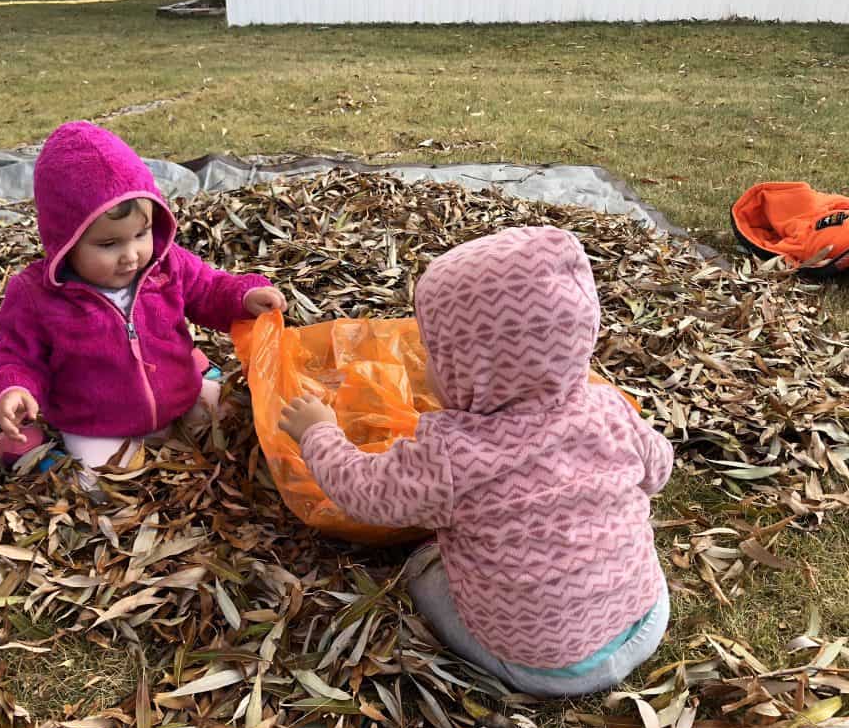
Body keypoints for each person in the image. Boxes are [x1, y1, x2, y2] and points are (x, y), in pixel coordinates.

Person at [278, 226, 672, 697]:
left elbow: (365, 493)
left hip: (539, 667)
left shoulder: (450, 456)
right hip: (645, 622)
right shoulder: (610, 411)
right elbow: (658, 470)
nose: (424, 365)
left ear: (475, 367)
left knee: (424, 569)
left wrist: (318, 431)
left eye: (433, 352)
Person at [0, 121, 286, 486]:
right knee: (98, 486)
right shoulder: (36, 296)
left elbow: (209, 288)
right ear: (65, 241)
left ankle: (197, 368)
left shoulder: (165, 263)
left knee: (242, 421)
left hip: (180, 396)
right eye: (108, 245)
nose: (131, 255)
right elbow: (14, 354)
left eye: (141, 234)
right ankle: (30, 448)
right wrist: (13, 389)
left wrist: (244, 296)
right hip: (97, 423)